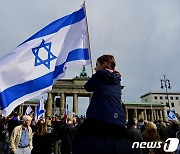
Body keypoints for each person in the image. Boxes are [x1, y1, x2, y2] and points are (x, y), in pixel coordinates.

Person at [72, 55, 132, 154]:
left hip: (99, 119)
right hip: (119, 121)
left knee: (81, 137)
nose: (95, 68)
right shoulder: (117, 79)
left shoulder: (99, 75)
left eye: (97, 65)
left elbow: (87, 87)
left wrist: (95, 75)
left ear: (104, 65)